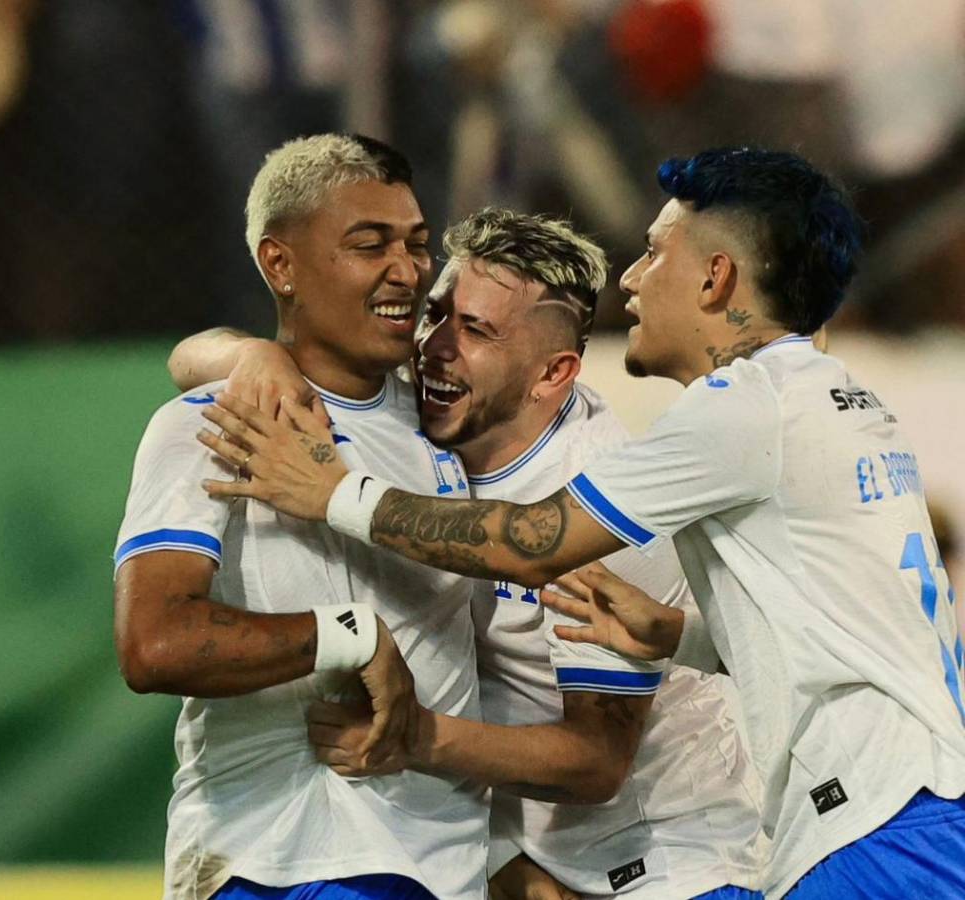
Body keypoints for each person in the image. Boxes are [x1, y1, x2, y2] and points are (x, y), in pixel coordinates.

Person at [196, 148, 965, 899]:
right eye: (440, 316)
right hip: (896, 806)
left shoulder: (731, 414)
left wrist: (333, 494)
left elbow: (525, 546)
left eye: (655, 253)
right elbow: (829, 619)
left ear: (716, 275)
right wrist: (255, 357)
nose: (632, 278)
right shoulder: (821, 397)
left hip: (839, 829)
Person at [179, 208, 766, 898]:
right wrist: (260, 358)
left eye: (477, 330)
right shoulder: (414, 413)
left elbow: (597, 760)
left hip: (666, 857)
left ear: (553, 374)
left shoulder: (605, 507)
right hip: (513, 842)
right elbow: (188, 356)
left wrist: (411, 736)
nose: (434, 347)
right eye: (437, 314)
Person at [114, 133, 489, 900]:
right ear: (279, 265)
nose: (406, 271)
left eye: (417, 245)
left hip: (449, 868)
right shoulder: (212, 424)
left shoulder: (453, 421)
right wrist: (343, 634)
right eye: (369, 244)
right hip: (285, 861)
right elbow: (153, 643)